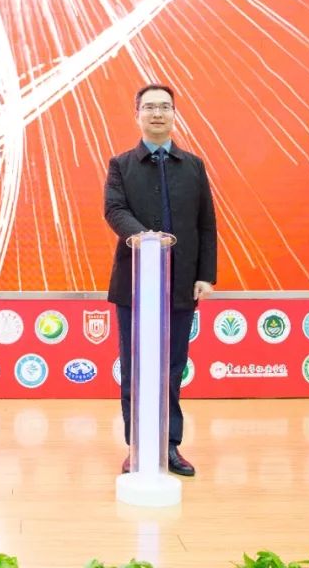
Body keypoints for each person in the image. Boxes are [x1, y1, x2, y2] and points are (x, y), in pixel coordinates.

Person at [104, 83, 217, 477]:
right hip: (134, 284)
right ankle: (138, 445)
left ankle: (169, 444)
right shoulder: (121, 164)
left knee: (172, 367)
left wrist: (206, 275)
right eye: (150, 107)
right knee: (135, 367)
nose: (157, 114)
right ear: (137, 114)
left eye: (165, 107)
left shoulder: (194, 165)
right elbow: (113, 209)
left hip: (181, 284)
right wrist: (145, 239)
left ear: (173, 114)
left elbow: (206, 224)